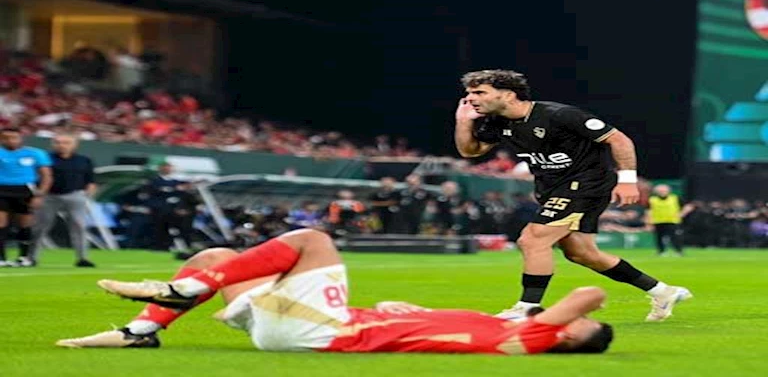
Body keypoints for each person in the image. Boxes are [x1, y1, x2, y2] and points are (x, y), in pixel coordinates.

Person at [56, 228, 613, 355]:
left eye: (575, 326)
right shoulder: (506, 331)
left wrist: (574, 318)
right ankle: (142, 331)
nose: (568, 319)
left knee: (313, 240)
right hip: (302, 326)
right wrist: (401, 310)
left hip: (319, 329)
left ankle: (180, 290)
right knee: (217, 260)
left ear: (568, 337)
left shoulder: (534, 340)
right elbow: (424, 328)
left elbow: (589, 293)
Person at [454, 70, 691, 322]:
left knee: (532, 239)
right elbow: (470, 151)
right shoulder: (498, 122)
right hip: (552, 188)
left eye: (479, 92)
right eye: (469, 93)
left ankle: (527, 309)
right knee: (581, 253)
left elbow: (619, 140)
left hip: (587, 183)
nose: (471, 98)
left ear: (508, 95)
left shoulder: (559, 115)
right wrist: (463, 121)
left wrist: (628, 181)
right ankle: (662, 291)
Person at [31, 133, 97, 267]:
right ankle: (31, 257)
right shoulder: (45, 159)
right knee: (39, 227)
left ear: (75, 145)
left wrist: (87, 196)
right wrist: (38, 195)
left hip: (75, 195)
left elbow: (91, 180)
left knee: (79, 226)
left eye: (66, 142)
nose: (61, 145)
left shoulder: (84, 160)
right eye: (58, 142)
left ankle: (83, 258)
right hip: (49, 196)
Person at [0, 128, 52, 267]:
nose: (10, 140)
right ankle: (1, 258)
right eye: (6, 137)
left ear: (21, 138)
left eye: (14, 137)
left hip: (25, 191)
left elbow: (46, 176)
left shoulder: (35, 153)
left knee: (25, 225)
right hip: (2, 190)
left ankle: (23, 257)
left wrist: (40, 195)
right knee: (1, 224)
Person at [646, 184, 685, 257]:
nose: (662, 192)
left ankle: (679, 251)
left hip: (672, 221)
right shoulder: (652, 200)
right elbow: (648, 211)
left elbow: (686, 206)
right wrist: (648, 222)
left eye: (664, 191)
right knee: (659, 238)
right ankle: (661, 252)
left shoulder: (675, 198)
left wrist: (681, 214)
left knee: (675, 237)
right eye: (660, 191)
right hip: (658, 221)